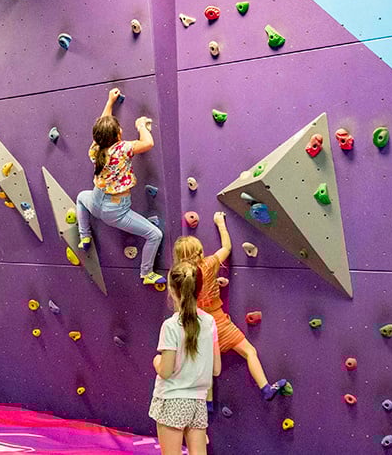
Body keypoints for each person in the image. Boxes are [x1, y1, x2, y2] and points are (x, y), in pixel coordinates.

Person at [173, 212, 281, 410]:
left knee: (204, 365)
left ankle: (208, 403)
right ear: (198, 251)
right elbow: (227, 248)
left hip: (196, 324)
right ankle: (265, 387)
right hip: (219, 321)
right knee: (249, 352)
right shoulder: (208, 264)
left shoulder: (178, 275)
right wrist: (220, 222)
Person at [77, 87, 166, 285]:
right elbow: (148, 143)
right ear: (118, 135)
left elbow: (102, 126)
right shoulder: (123, 149)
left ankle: (84, 235)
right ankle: (146, 273)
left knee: (80, 198)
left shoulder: (95, 149)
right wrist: (141, 125)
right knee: (154, 234)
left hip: (96, 200)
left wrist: (109, 102)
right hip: (115, 211)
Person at [150, 262, 220, 455]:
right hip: (198, 402)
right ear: (198, 288)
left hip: (172, 399)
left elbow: (165, 371)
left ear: (172, 290)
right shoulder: (209, 322)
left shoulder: (171, 325)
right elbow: (216, 369)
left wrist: (156, 361)